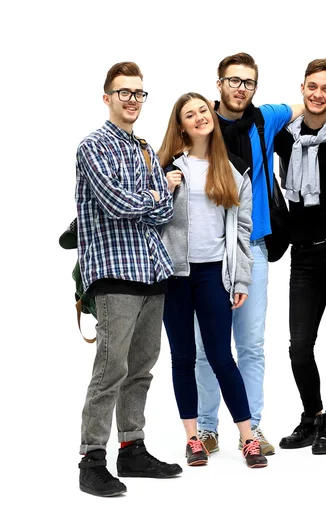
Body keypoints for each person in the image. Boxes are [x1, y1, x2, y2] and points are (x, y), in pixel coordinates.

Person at [75, 62, 182, 497]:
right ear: (107, 97)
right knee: (110, 369)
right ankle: (91, 459)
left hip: (152, 272)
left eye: (139, 93)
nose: (133, 99)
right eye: (124, 92)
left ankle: (132, 448)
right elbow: (118, 203)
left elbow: (164, 211)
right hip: (114, 274)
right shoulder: (93, 146)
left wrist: (155, 198)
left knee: (141, 368)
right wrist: (155, 195)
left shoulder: (143, 147)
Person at [193, 52, 304, 456]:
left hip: (253, 247)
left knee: (252, 344)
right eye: (234, 81)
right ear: (219, 83)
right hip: (207, 252)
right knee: (206, 347)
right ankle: (207, 428)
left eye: (248, 83)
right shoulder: (200, 123)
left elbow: (312, 104)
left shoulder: (264, 118)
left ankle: (252, 428)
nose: (241, 89)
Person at [157, 92, 267, 469]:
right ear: (181, 124)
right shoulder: (167, 168)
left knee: (222, 356)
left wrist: (240, 280)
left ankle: (248, 439)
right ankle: (193, 439)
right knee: (183, 358)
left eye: (204, 110)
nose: (200, 117)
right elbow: (150, 222)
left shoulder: (233, 169)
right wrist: (164, 190)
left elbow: (242, 230)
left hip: (212, 275)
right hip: (175, 276)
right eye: (191, 114)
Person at [273, 58, 326, 455]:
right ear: (302, 88)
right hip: (303, 254)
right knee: (299, 345)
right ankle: (311, 416)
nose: (318, 94)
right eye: (312, 86)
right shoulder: (285, 135)